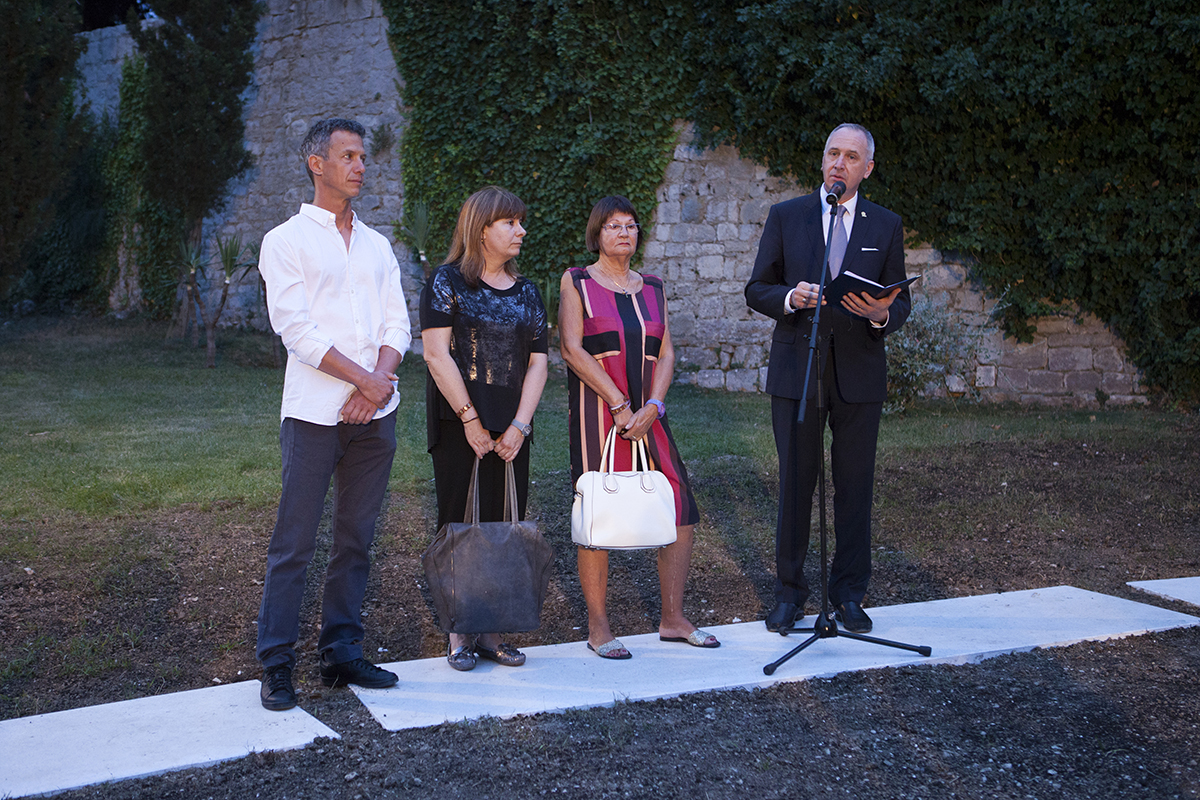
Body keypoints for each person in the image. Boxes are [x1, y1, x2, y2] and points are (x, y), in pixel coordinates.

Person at [255, 118, 412, 711]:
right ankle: (276, 664)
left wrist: (376, 386)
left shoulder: (377, 245)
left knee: (356, 539)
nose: (360, 166)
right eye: (347, 156)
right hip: (313, 415)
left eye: (363, 157)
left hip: (376, 414)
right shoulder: (285, 240)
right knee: (293, 543)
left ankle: (341, 650)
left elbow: (398, 324)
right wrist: (362, 379)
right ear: (315, 163)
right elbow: (296, 330)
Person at [745, 123, 911, 635]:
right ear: (822, 161)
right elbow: (757, 288)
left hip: (860, 373)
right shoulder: (787, 215)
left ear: (868, 168)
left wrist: (882, 315)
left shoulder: (886, 224)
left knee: (855, 488)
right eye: (833, 153)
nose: (839, 163)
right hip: (798, 371)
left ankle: (849, 595)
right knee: (796, 484)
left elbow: (900, 300)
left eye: (851, 157)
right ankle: (790, 595)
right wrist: (790, 298)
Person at [559, 195, 718, 659]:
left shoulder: (653, 287)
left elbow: (665, 352)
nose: (624, 232)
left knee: (680, 506)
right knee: (599, 510)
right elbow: (571, 348)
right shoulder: (577, 281)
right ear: (597, 234)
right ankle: (598, 627)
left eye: (630, 225)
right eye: (613, 225)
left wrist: (653, 405)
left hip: (649, 415)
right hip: (598, 414)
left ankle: (673, 618)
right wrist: (618, 403)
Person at [420, 186, 549, 672]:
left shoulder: (528, 291)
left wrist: (520, 425)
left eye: (520, 221)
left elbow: (538, 363)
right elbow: (436, 354)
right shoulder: (447, 281)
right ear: (481, 230)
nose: (522, 231)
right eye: (510, 222)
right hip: (459, 423)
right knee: (459, 521)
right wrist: (470, 419)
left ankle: (492, 630)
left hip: (513, 426)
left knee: (502, 522)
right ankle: (459, 632)